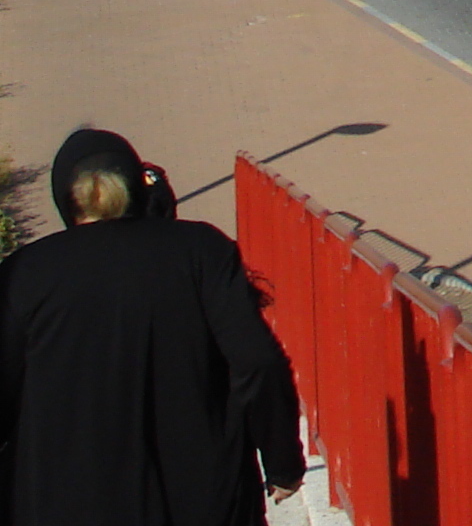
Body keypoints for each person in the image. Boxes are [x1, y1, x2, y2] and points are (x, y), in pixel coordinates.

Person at [0, 128, 304, 523]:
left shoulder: (26, 273)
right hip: (203, 500)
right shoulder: (200, 250)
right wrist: (282, 462)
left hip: (65, 501)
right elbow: (257, 362)